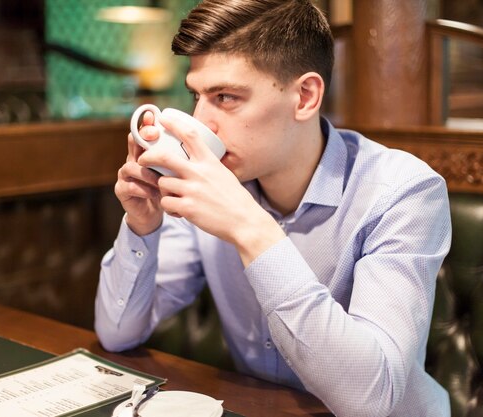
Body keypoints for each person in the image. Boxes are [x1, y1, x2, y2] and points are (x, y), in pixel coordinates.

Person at [94, 1, 452, 416]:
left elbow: (370, 399)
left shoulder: (403, 192)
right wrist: (142, 225)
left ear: (305, 96)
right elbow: (116, 333)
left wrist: (252, 230)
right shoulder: (209, 183)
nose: (199, 120)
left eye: (225, 97)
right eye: (197, 95)